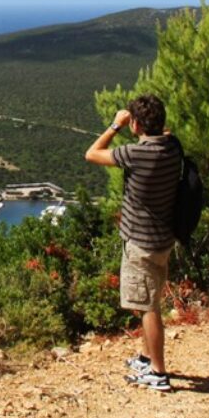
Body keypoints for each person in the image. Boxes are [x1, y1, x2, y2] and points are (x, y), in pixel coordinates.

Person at [85, 94, 182, 392]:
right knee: (147, 300)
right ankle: (145, 356)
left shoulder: (136, 154)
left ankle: (158, 372)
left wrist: (116, 124)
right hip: (162, 239)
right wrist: (144, 125)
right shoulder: (172, 146)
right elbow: (164, 133)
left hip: (141, 243)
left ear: (136, 125)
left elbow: (92, 153)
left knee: (148, 306)